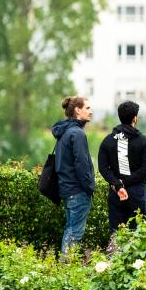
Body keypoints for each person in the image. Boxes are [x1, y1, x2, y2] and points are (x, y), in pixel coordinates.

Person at [97, 100, 146, 235]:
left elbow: (103, 168)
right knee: (137, 234)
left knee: (116, 233)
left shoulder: (108, 140)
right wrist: (124, 183)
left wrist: (118, 184)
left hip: (116, 193)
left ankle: (115, 249)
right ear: (135, 118)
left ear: (119, 117)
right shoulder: (143, 141)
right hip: (137, 192)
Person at [51, 95, 95, 256]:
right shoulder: (77, 134)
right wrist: (89, 187)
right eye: (87, 108)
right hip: (77, 191)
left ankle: (65, 265)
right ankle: (67, 266)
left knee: (70, 230)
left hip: (67, 189)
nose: (91, 111)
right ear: (77, 110)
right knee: (75, 233)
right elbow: (82, 165)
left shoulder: (65, 131)